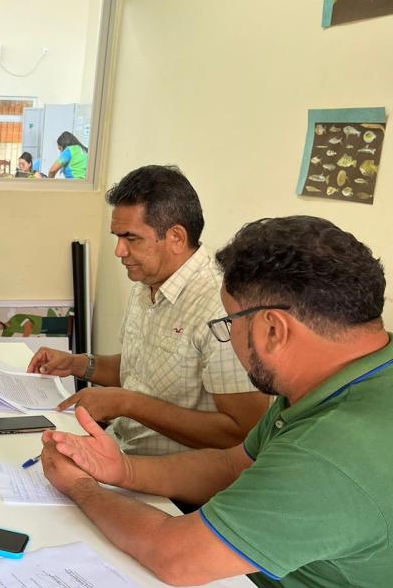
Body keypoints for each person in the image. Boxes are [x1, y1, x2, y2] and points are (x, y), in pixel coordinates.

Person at [37, 216, 393, 588]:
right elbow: (232, 466)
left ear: (272, 329)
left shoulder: (333, 446)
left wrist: (82, 488)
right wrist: (123, 470)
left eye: (230, 324)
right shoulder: (343, 379)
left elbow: (175, 556)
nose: (230, 339)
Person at [28, 165, 267, 455]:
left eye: (131, 238)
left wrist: (128, 404)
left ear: (176, 237)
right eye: (117, 237)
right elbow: (140, 370)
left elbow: (241, 433)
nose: (119, 251)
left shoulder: (220, 305)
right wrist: (77, 364)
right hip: (120, 447)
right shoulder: (147, 282)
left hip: (172, 475)